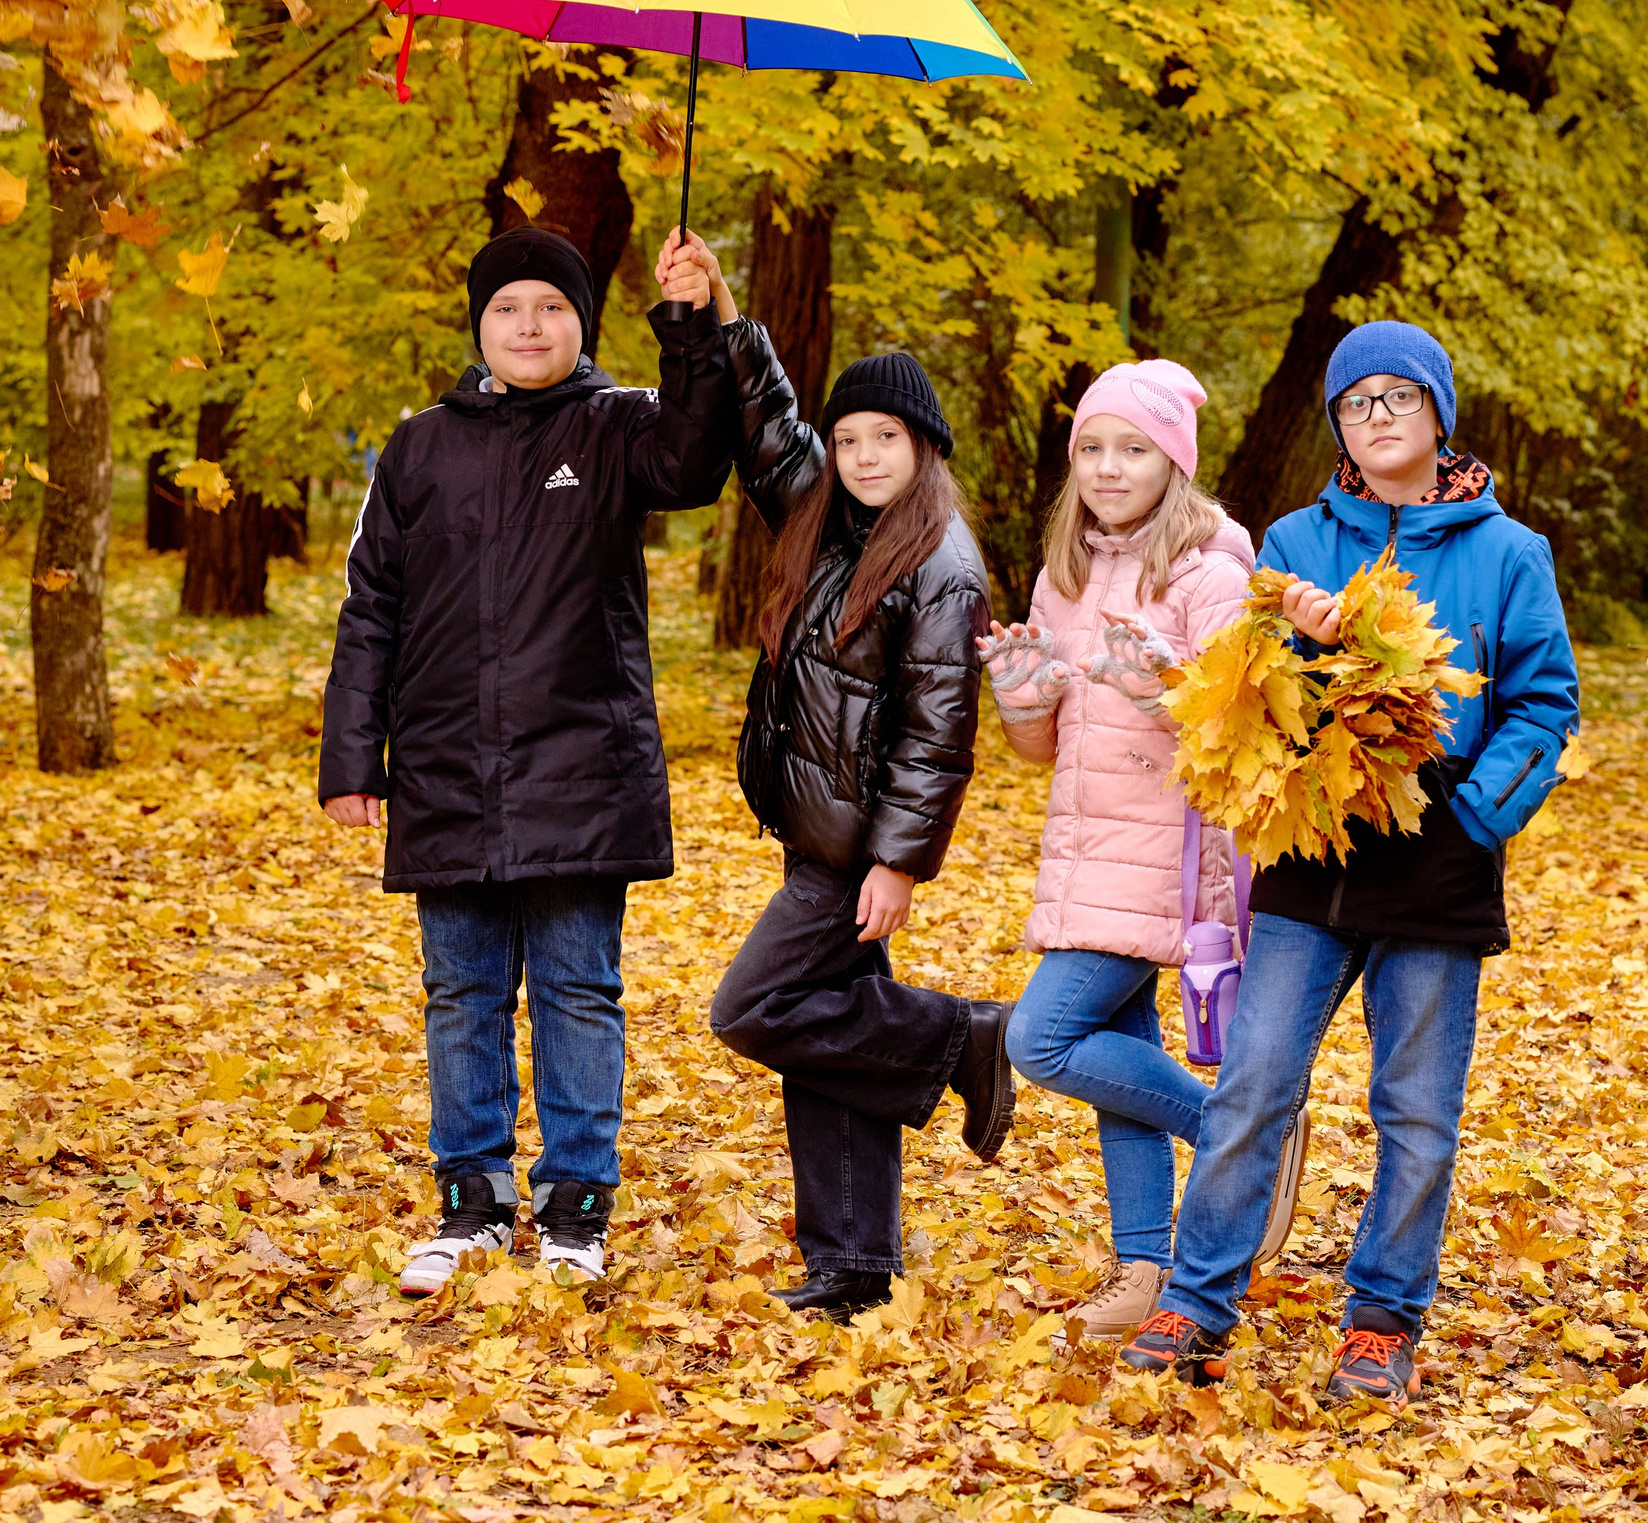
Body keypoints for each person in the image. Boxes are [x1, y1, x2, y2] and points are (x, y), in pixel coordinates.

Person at [1120, 320, 1580, 1405]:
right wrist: (1308, 644)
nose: (1377, 417)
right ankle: (1197, 1301)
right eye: (1356, 402)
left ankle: (1380, 1322)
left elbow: (1543, 705)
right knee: (1251, 1086)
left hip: (1439, 861)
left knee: (1414, 1111)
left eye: (1398, 397)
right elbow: (1248, 686)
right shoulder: (1294, 540)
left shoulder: (1509, 553)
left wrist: (1472, 819)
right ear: (1337, 424)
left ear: (1438, 414)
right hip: (1311, 857)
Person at [317, 225, 745, 1296]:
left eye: (552, 307)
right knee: (460, 991)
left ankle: (574, 1212)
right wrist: (352, 755)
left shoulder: (617, 426)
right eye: (508, 307)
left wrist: (692, 324)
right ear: (479, 325)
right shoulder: (418, 447)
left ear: (581, 325)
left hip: (581, 770)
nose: (529, 325)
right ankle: (470, 1205)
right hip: (445, 770)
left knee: (576, 991)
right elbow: (372, 607)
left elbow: (697, 457)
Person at [659, 239, 1008, 1325]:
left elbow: (938, 736)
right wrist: (718, 306)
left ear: (924, 447)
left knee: (754, 1007)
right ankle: (852, 1259)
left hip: (851, 850)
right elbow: (768, 419)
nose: (861, 455)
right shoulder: (824, 517)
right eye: (849, 437)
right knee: (829, 1036)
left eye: (884, 438)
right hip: (814, 827)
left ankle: (963, 1038)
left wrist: (896, 864)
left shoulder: (941, 564)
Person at [979, 361, 1305, 1342]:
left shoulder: (1211, 574)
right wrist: (1023, 695)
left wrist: (1165, 689)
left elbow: (1243, 728)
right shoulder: (1066, 574)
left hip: (1168, 856)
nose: (1108, 467)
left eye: (1132, 448)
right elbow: (1046, 746)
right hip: (1086, 851)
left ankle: (1241, 1133)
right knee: (1120, 1059)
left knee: (1042, 1039)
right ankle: (1144, 1267)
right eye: (1091, 448)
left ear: (1173, 462)